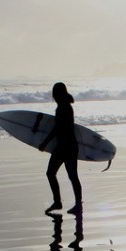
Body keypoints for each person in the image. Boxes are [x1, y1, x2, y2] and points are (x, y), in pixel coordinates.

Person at [39, 82, 82, 214]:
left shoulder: (63, 108)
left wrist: (45, 143)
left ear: (58, 94)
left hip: (65, 147)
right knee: (69, 175)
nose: (54, 96)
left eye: (55, 94)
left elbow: (58, 128)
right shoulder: (66, 106)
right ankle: (70, 203)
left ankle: (64, 203)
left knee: (58, 174)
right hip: (68, 146)